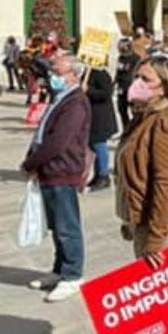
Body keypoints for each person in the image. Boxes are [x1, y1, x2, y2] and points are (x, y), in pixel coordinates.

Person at [115, 56, 168, 334]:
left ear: (165, 86)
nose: (137, 83)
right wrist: (131, 220)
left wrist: (156, 238)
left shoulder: (167, 123)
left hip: (166, 225)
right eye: (137, 76)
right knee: (159, 309)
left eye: (145, 79)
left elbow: (166, 184)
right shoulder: (145, 116)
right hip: (146, 222)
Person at [22, 56, 91, 303]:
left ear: (73, 75)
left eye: (58, 71)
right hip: (49, 172)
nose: (53, 75)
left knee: (66, 226)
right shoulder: (60, 98)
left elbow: (58, 142)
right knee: (56, 225)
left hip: (62, 170)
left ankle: (73, 275)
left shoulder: (75, 103)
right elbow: (43, 133)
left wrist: (31, 162)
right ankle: (60, 269)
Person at [84, 60, 118, 192]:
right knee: (93, 145)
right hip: (92, 115)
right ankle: (97, 174)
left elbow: (106, 93)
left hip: (101, 116)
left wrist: (89, 91)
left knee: (99, 146)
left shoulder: (101, 74)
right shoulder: (89, 73)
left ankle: (104, 175)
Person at [114, 39, 140, 133]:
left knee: (134, 111)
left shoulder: (136, 58)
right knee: (121, 110)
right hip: (121, 87)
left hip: (132, 88)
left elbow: (136, 73)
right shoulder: (120, 58)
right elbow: (118, 71)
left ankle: (135, 130)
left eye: (122, 47)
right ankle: (126, 130)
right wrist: (115, 82)